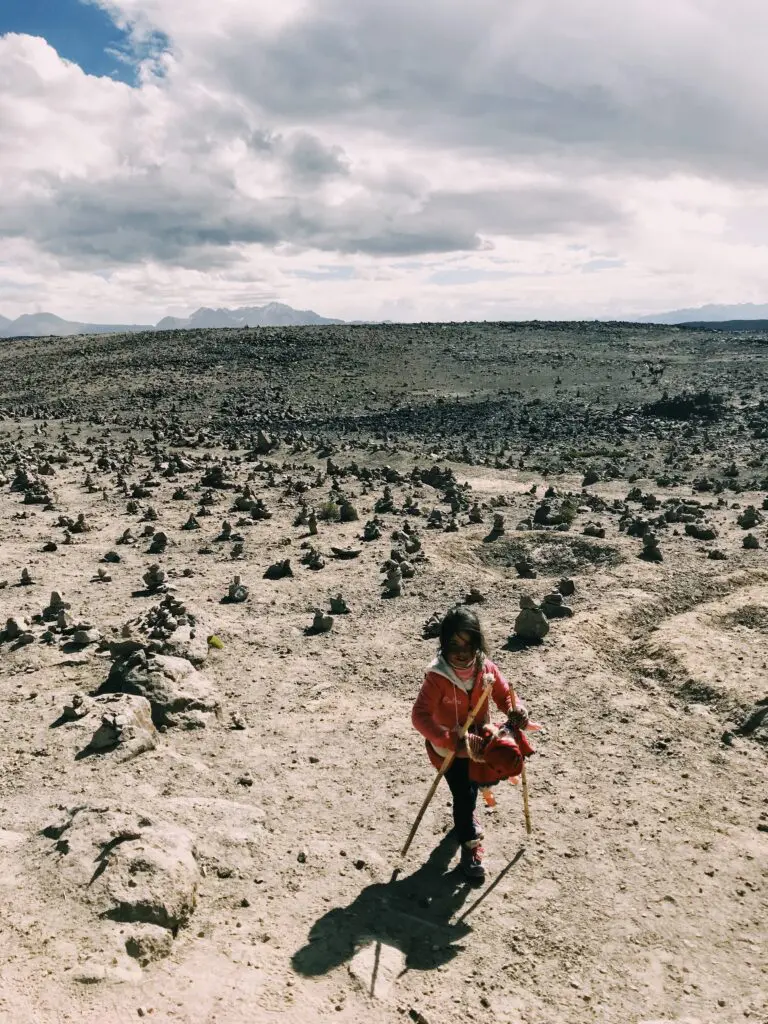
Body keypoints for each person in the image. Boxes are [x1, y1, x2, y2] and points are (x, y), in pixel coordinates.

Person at [411, 606, 533, 882]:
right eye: (453, 643)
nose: (460, 651)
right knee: (463, 795)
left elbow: (505, 696)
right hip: (449, 747)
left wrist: (517, 709)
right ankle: (470, 847)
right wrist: (445, 737)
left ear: (478, 643)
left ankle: (467, 819)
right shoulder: (437, 677)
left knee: (474, 785)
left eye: (468, 643)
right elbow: (419, 716)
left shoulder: (486, 669)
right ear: (443, 644)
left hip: (481, 743)